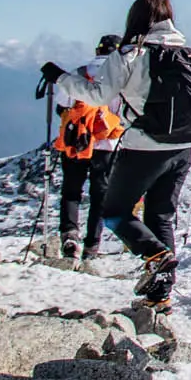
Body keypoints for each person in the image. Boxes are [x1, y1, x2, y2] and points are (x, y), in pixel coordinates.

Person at [40, 0, 191, 309]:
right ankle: (160, 294)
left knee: (114, 212)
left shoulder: (129, 56)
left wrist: (61, 78)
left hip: (143, 146)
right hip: (184, 147)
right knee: (160, 214)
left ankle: (157, 257)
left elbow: (97, 96)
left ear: (135, 19)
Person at [54, 33, 125, 261]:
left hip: (77, 143)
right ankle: (92, 246)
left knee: (71, 191)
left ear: (97, 50)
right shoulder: (121, 77)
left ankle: (69, 234)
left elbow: (62, 105)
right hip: (107, 144)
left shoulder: (77, 74)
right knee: (99, 196)